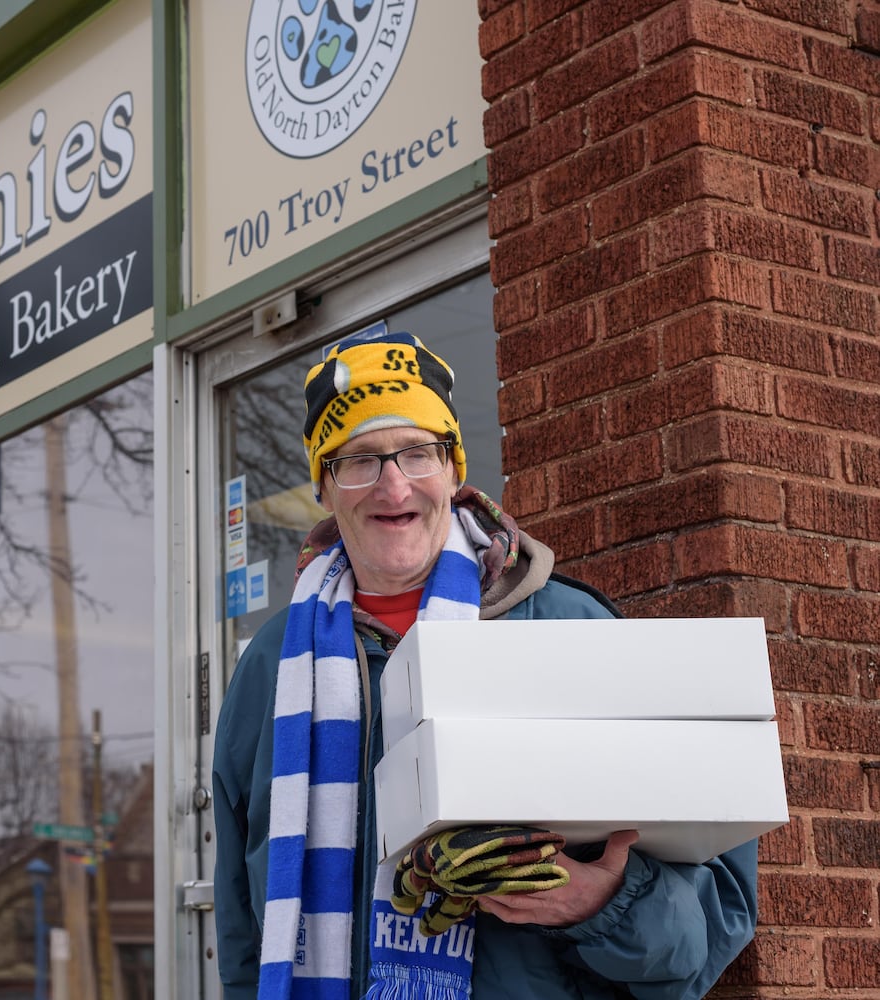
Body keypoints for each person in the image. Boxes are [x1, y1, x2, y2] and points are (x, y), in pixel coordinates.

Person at [211, 324, 757, 999]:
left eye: (416, 453)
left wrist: (603, 902)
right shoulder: (271, 669)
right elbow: (242, 931)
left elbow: (709, 936)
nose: (391, 486)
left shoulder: (568, 629)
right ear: (324, 488)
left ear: (454, 469)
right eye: (357, 460)